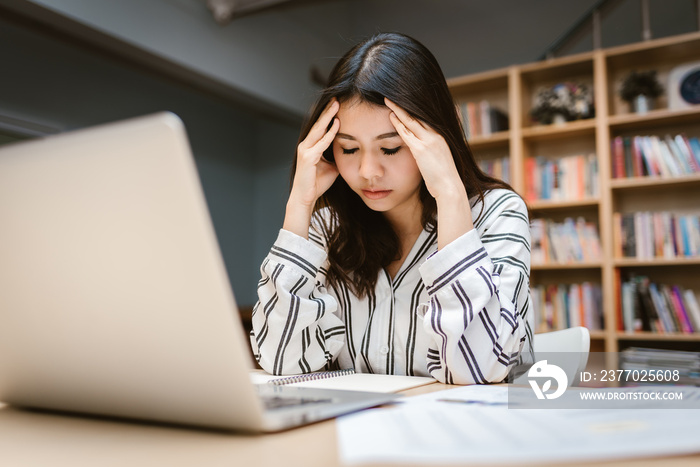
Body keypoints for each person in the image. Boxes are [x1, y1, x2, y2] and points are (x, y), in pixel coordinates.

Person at [250, 32, 533, 384]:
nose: (368, 172)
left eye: (391, 148)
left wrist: (449, 192)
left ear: (435, 139)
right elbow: (281, 361)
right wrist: (299, 206)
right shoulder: (328, 227)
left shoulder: (496, 213)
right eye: (349, 149)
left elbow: (479, 369)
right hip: (359, 433)